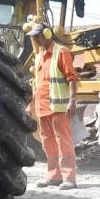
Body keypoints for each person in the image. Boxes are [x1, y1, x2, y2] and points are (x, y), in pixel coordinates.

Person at [27, 21, 80, 190]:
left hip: (58, 108)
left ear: (47, 34)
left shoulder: (61, 52)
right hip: (42, 108)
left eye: (37, 36)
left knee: (64, 142)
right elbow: (37, 84)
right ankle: (54, 176)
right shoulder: (39, 56)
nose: (35, 40)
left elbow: (72, 78)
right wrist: (31, 104)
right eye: (34, 37)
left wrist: (72, 100)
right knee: (48, 143)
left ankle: (69, 178)